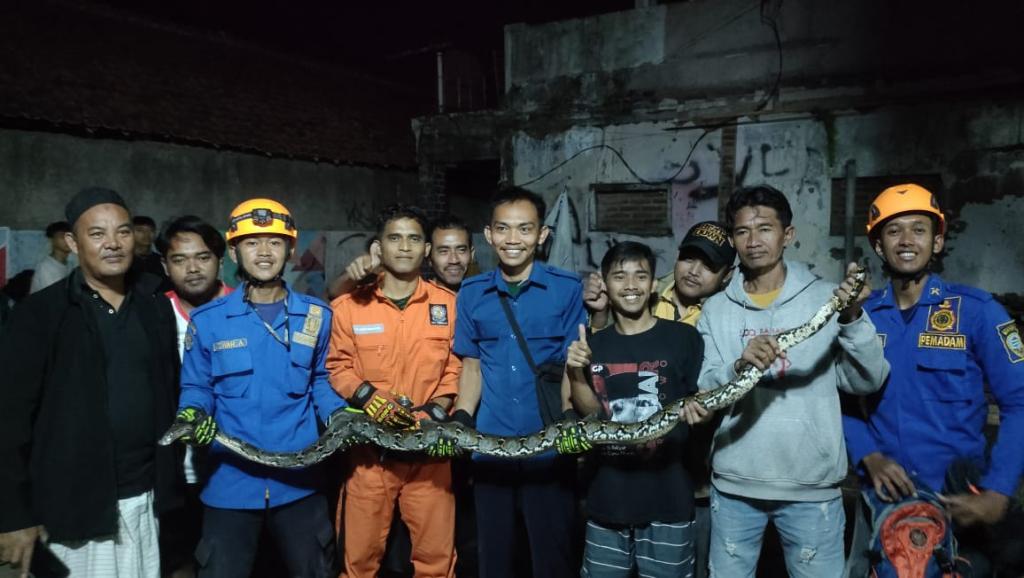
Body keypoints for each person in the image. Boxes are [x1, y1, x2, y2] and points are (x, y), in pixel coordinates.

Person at [695, 185, 889, 577]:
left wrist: (851, 317)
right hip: (735, 483)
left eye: (765, 228)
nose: (753, 242)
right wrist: (738, 367)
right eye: (742, 231)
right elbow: (706, 390)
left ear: (788, 235)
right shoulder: (716, 309)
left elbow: (866, 381)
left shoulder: (827, 299)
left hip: (811, 488)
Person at [842, 183, 1024, 577]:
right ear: (878, 246)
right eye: (893, 231)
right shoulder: (862, 317)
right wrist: (868, 455)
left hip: (959, 501)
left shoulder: (977, 312)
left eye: (919, 229)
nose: (906, 240)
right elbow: (840, 398)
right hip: (883, 501)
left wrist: (998, 490)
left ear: (938, 242)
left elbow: (1019, 402)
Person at [0, 187, 182, 578]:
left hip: (145, 498)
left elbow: (168, 391)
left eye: (123, 232)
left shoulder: (154, 306)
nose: (113, 244)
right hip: (74, 504)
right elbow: (9, 418)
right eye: (97, 234)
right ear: (72, 241)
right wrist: (13, 515)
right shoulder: (40, 314)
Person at [174, 198, 345, 578]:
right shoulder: (209, 320)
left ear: (291, 249)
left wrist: (340, 414)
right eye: (252, 243)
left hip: (300, 484)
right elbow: (197, 386)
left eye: (275, 241)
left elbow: (320, 381)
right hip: (229, 485)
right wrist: (193, 413)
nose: (264, 252)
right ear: (234, 251)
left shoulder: (317, 315)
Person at [452, 187, 589, 578]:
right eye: (504, 229)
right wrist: (462, 414)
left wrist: (566, 414)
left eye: (525, 229)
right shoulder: (472, 292)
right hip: (490, 449)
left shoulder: (566, 288)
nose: (514, 240)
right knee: (493, 559)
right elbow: (472, 365)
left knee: (551, 558)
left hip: (547, 448)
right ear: (489, 234)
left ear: (542, 235)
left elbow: (569, 365)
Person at [327, 204, 462, 578]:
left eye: (414, 239)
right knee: (358, 561)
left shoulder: (449, 306)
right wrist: (368, 399)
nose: (404, 247)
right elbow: (337, 366)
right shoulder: (349, 305)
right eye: (395, 238)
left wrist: (438, 408)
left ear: (426, 250)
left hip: (430, 453)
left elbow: (457, 366)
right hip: (370, 455)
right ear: (378, 248)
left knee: (436, 562)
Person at [567, 241, 712, 578]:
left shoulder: (685, 338)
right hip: (607, 498)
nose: (630, 286)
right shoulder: (593, 343)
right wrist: (576, 372)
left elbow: (701, 404)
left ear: (653, 286)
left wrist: (704, 416)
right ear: (605, 284)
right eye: (619, 276)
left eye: (640, 276)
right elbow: (593, 414)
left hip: (669, 498)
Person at [155, 215, 234, 578]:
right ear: (164, 265)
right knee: (178, 561)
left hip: (233, 469)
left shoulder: (245, 309)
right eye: (180, 259)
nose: (192, 268)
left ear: (221, 259)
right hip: (172, 472)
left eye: (202, 257)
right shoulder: (153, 314)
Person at [328, 214, 475, 298]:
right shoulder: (403, 291)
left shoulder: (483, 297)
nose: (454, 259)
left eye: (461, 250)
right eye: (443, 251)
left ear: (471, 254)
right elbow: (333, 295)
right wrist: (353, 274)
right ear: (428, 254)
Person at [29, 221, 73, 293]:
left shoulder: (70, 265)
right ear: (51, 240)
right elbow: (54, 298)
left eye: (70, 237)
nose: (67, 240)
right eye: (62, 236)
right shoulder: (46, 267)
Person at [133, 215, 171, 289]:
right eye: (140, 230)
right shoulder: (126, 261)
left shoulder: (161, 261)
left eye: (151, 230)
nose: (146, 234)